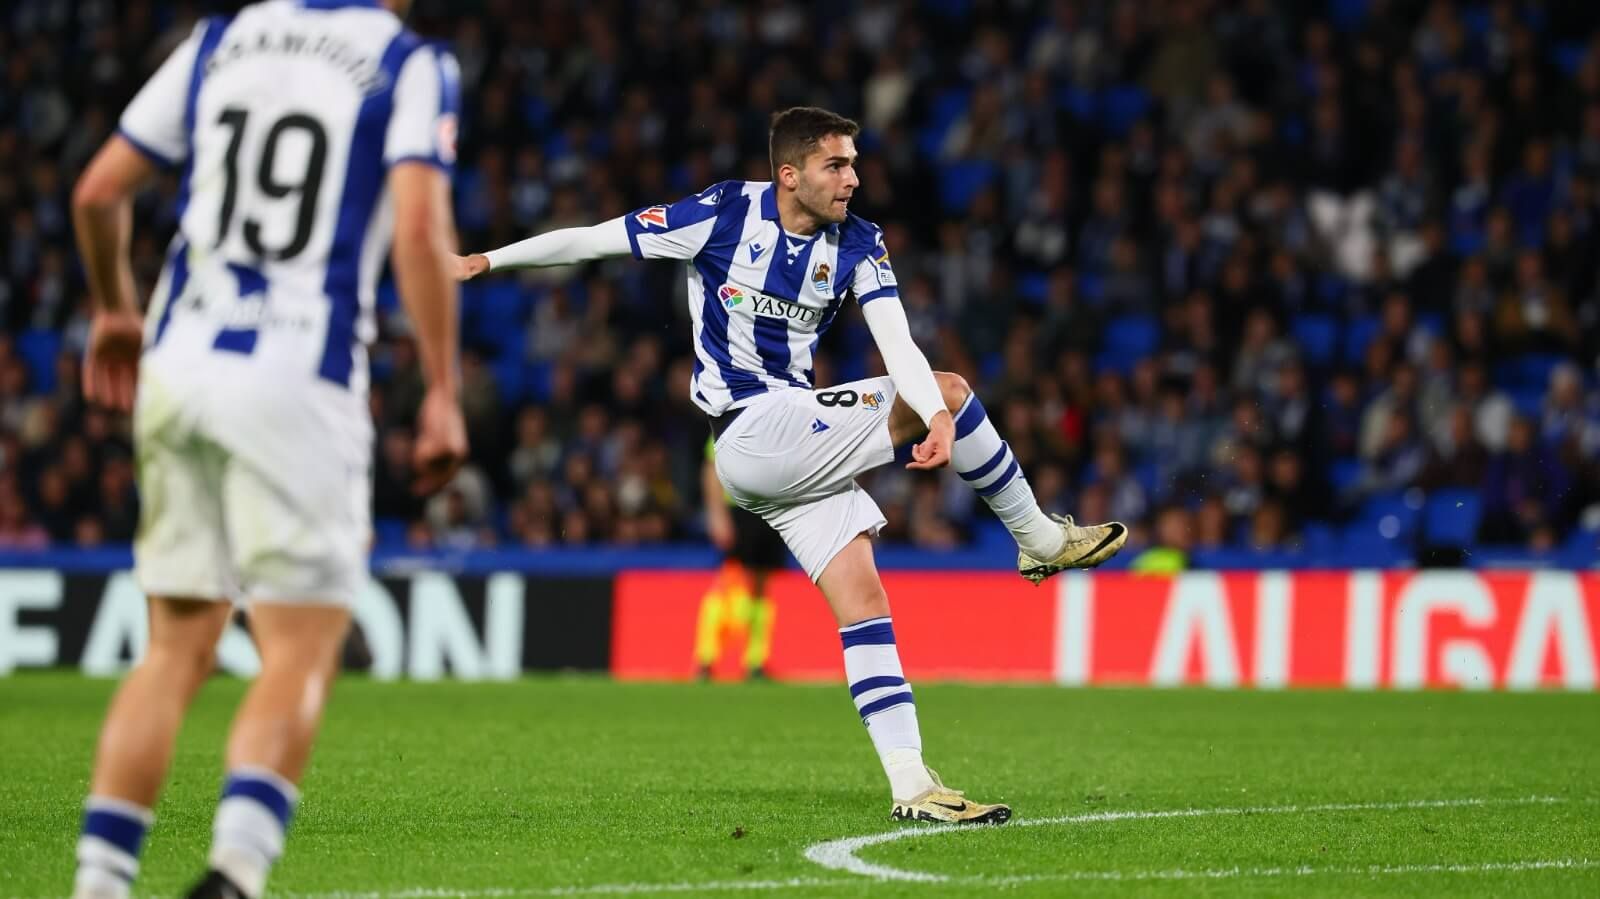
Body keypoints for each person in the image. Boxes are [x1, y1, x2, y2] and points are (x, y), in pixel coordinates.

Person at [458, 107, 1127, 825]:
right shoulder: (719, 214)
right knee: (956, 389)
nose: (853, 178)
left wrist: (932, 412)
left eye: (854, 164)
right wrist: (489, 260)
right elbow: (597, 239)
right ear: (790, 174)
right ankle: (1041, 540)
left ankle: (912, 784)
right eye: (836, 165)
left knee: (865, 602)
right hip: (749, 432)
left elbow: (895, 338)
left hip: (792, 444)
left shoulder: (860, 242)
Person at [69, 2, 465, 896]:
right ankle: (235, 874)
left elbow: (97, 192)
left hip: (178, 364)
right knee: (298, 644)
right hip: (298, 374)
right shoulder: (408, 63)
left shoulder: (221, 40)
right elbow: (415, 230)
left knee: (173, 649)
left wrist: (113, 306)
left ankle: (98, 882)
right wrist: (442, 388)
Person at [695, 437, 782, 680]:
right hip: (739, 511)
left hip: (772, 509)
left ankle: (755, 661)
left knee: (761, 587)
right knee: (728, 585)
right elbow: (712, 467)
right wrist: (716, 514)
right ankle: (706, 658)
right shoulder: (733, 411)